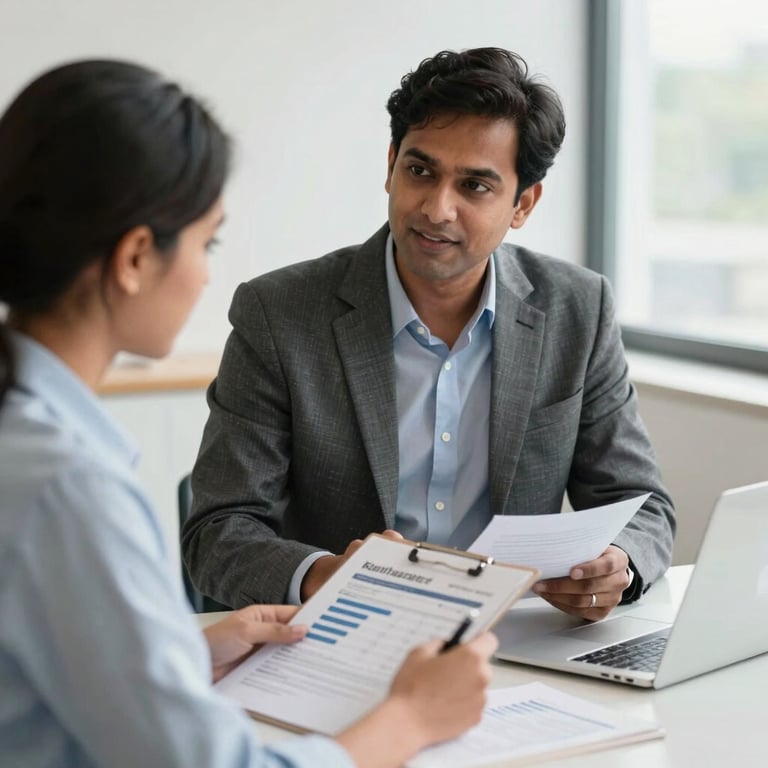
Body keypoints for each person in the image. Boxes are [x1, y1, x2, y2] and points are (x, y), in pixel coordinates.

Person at [0, 60, 498, 768]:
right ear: (137, 257)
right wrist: (412, 717)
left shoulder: (29, 444)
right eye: (208, 242)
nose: (206, 273)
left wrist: (179, 653)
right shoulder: (68, 489)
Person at [183, 46, 676, 622]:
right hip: (338, 636)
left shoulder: (578, 309)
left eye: (475, 187)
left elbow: (642, 507)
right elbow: (218, 533)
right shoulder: (280, 313)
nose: (437, 209)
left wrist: (616, 563)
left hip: (510, 643)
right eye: (420, 171)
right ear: (391, 164)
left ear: (523, 204)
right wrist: (328, 576)